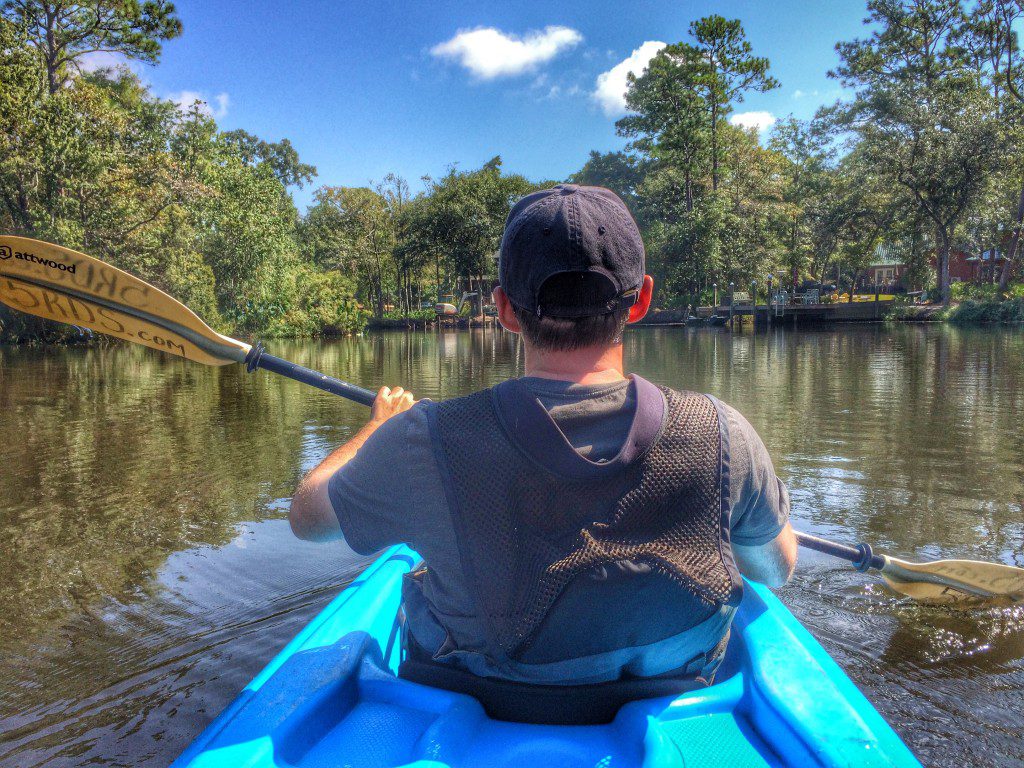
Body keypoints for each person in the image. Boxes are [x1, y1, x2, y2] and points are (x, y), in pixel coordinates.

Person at [289, 184, 797, 707]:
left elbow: (307, 518)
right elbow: (775, 570)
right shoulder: (722, 433)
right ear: (642, 298)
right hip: (673, 698)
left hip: (477, 705)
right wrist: (718, 500)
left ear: (504, 308)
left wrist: (378, 426)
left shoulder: (422, 439)